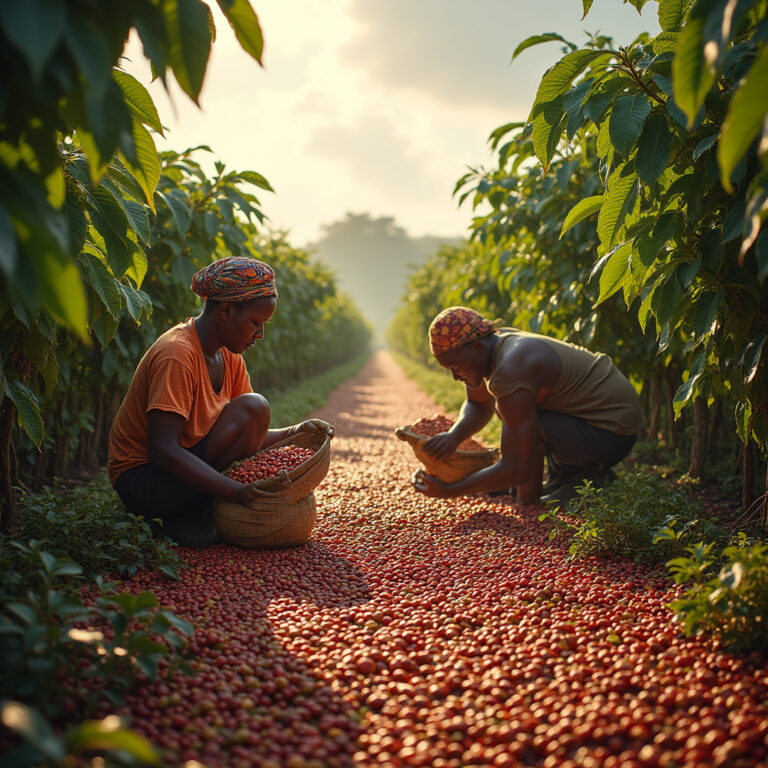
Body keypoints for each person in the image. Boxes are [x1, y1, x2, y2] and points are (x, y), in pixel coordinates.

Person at [108, 256, 334, 547]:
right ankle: (179, 513)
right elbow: (163, 450)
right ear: (226, 310)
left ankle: (198, 508)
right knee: (254, 407)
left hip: (184, 466)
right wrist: (239, 493)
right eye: (256, 322)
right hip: (145, 480)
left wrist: (296, 432)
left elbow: (246, 432)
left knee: (254, 412)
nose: (260, 334)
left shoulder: (229, 355)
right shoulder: (177, 353)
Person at [412, 306, 644, 506]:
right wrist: (454, 436)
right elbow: (478, 404)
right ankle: (570, 478)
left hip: (611, 433)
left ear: (477, 348)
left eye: (455, 367)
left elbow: (517, 466)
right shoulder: (491, 345)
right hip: (585, 422)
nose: (454, 377)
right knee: (523, 426)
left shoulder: (512, 368)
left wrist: (451, 491)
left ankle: (540, 499)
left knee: (527, 429)